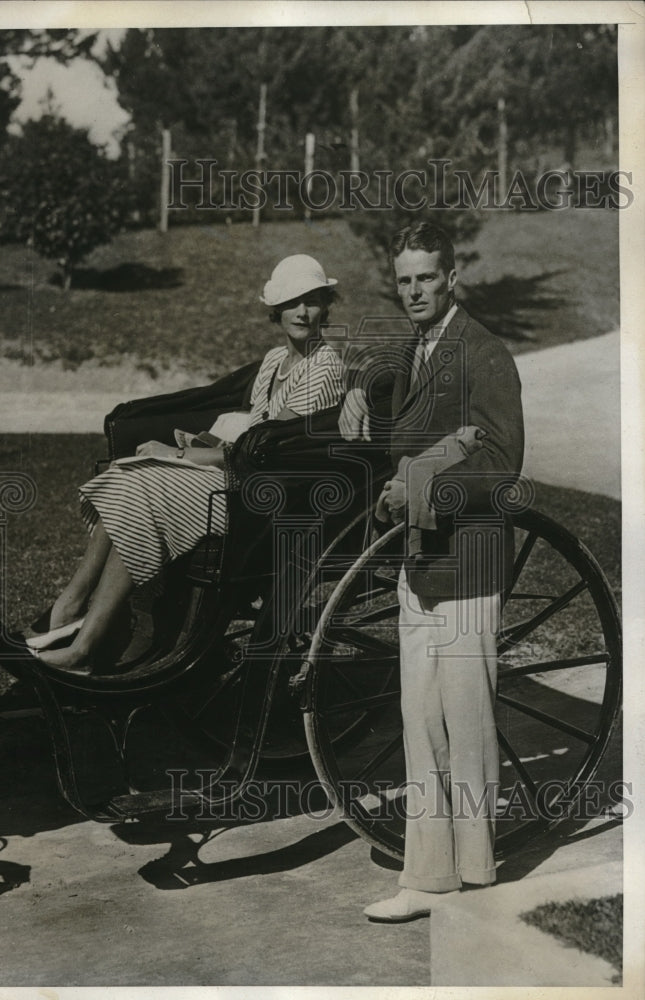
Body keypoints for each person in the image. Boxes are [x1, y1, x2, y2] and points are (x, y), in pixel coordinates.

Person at [30, 254, 345, 674]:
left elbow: (269, 450)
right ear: (276, 310)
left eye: (313, 300)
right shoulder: (273, 362)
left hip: (265, 496)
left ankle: (85, 647)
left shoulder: (324, 367)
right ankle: (69, 607)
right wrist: (192, 446)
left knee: (149, 488)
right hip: (239, 473)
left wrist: (178, 455)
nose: (303, 312)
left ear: (327, 305)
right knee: (126, 473)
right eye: (293, 302)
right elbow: (251, 434)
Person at [340, 221, 524, 923]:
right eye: (405, 279)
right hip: (422, 559)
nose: (414, 289)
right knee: (421, 715)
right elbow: (396, 382)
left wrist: (413, 489)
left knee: (463, 718)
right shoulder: (420, 348)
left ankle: (456, 872)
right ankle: (445, 872)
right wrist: (359, 383)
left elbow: (502, 465)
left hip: (467, 559)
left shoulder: (482, 352)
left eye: (426, 277)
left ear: (453, 278)